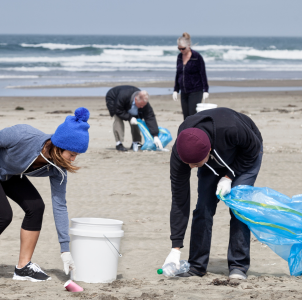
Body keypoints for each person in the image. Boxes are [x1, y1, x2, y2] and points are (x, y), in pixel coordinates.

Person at [0, 108, 90, 284]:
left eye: (76, 155)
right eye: (72, 154)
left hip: (8, 172)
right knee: (2, 216)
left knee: (36, 207)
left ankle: (23, 267)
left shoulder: (58, 169)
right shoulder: (24, 135)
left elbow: (60, 205)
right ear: (59, 147)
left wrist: (65, 250)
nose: (73, 159)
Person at [164, 107, 263, 280]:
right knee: (203, 207)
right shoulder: (181, 151)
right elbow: (180, 199)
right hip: (212, 162)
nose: (191, 167)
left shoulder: (232, 128)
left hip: (246, 154)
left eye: (195, 164)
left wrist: (229, 176)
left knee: (238, 208)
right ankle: (196, 266)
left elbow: (252, 150)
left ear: (208, 151)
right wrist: (175, 248)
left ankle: (238, 266)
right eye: (188, 163)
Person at [105, 85, 163, 151]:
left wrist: (155, 135)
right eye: (141, 105)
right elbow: (118, 110)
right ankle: (119, 143)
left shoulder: (144, 103)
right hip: (114, 98)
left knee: (137, 120)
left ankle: (136, 142)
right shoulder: (123, 95)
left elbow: (150, 117)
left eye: (143, 105)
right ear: (136, 99)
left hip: (127, 104)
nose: (142, 107)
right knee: (118, 118)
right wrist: (130, 118)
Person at [172, 32, 209, 120]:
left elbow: (203, 74)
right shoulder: (179, 57)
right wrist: (176, 90)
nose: (181, 51)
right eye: (179, 48)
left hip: (195, 90)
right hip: (184, 91)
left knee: (192, 116)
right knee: (186, 116)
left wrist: (206, 90)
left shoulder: (196, 57)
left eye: (183, 48)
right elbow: (178, 73)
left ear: (188, 46)